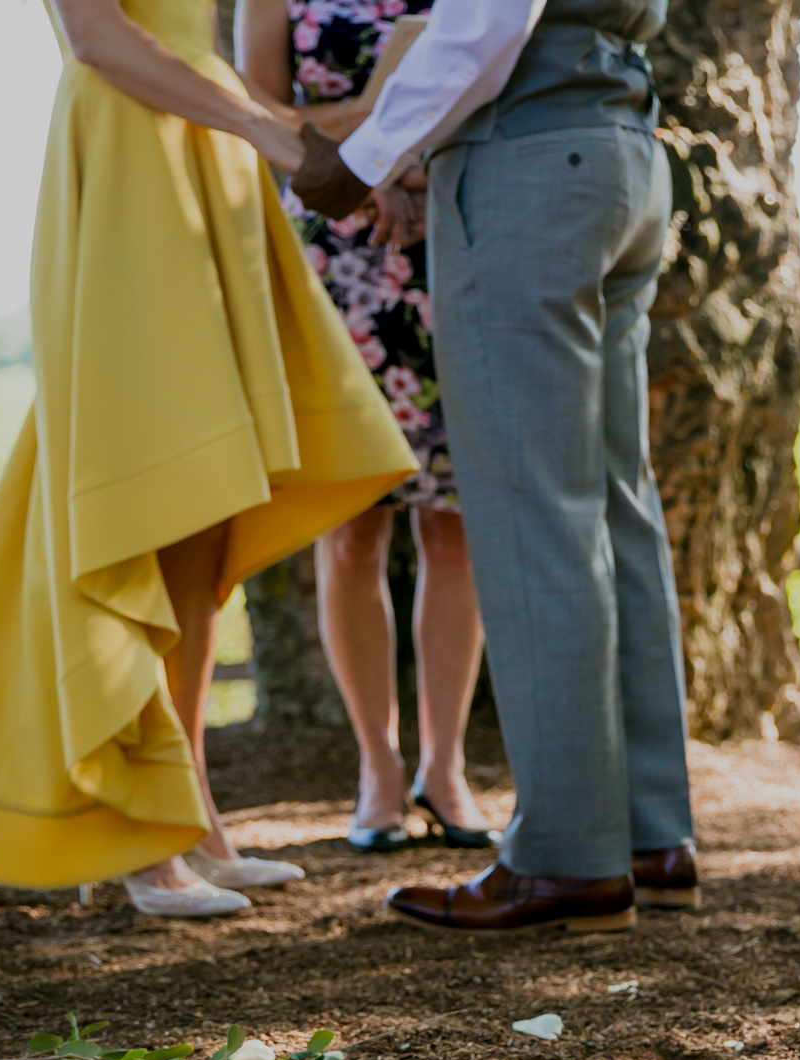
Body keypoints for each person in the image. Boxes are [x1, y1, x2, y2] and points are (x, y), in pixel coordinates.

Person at [0, 0, 416, 918]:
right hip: (128, 160)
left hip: (209, 168)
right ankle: (131, 832)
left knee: (205, 497)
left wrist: (324, 151)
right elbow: (100, 40)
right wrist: (279, 136)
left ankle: (186, 819)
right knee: (140, 472)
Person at [289, 0, 700, 933]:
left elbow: (486, 22)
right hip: (622, 151)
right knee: (614, 503)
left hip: (527, 165)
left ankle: (565, 858)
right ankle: (647, 837)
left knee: (531, 511)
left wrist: (362, 157)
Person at [234, 0, 498, 855]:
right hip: (333, 259)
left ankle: (445, 766)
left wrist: (414, 166)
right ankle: (377, 766)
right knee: (350, 530)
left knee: (455, 527)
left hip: (451, 246)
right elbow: (252, 113)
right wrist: (372, 150)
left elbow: (491, 81)